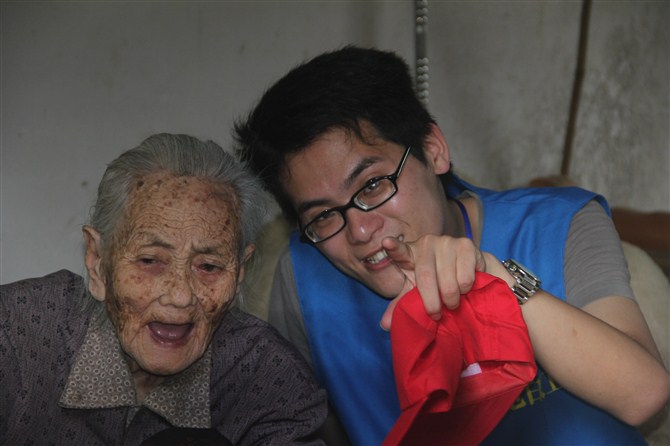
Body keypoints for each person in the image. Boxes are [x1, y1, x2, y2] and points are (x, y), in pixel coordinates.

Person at [233, 46, 670, 445]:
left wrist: (493, 277)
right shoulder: (303, 278)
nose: (360, 231)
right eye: (323, 215)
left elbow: (643, 395)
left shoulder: (559, 223)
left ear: (433, 149)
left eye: (372, 185)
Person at [0, 133, 328, 445]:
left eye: (209, 267)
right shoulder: (15, 334)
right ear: (98, 261)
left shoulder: (269, 379)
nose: (180, 296)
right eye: (150, 261)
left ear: (240, 271)